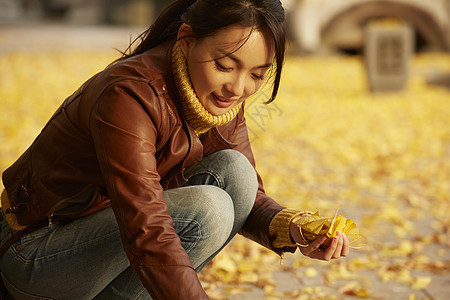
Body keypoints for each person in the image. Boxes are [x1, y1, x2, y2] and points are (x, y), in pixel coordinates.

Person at [0, 0, 349, 299]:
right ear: (186, 40)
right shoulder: (128, 95)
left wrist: (297, 229)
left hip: (109, 238)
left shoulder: (218, 95)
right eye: (225, 66)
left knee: (235, 171)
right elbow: (146, 226)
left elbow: (249, 195)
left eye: (257, 75)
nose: (239, 87)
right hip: (36, 255)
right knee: (208, 209)